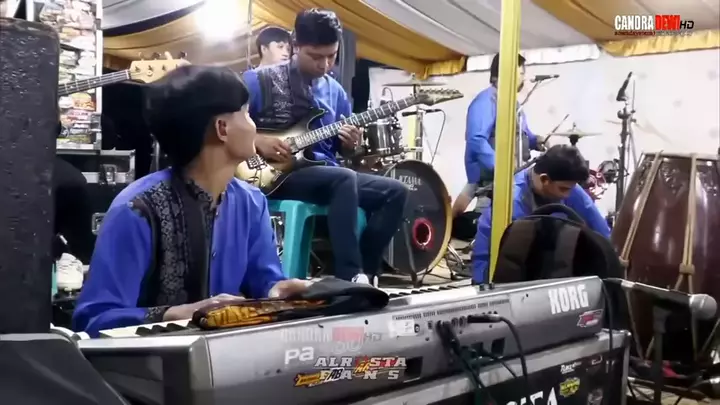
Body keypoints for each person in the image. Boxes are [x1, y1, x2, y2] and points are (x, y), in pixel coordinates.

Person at [73, 66, 309, 336]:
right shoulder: (137, 209)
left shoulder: (252, 203)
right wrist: (176, 314)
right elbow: (94, 319)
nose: (253, 125)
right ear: (222, 128)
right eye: (246, 113)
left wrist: (277, 289)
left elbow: (263, 280)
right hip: (151, 361)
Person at [242, 9, 408, 286]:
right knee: (343, 178)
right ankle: (348, 275)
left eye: (332, 56)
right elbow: (226, 124)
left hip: (326, 173)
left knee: (395, 192)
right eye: (316, 56)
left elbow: (344, 153)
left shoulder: (336, 92)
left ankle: (367, 274)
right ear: (295, 46)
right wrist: (258, 141)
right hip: (275, 174)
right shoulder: (258, 81)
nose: (325, 64)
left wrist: (350, 144)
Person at [472, 145, 611, 283]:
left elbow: (594, 219)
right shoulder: (514, 201)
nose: (568, 195)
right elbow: (507, 258)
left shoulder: (563, 183)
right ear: (544, 179)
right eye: (564, 189)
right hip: (502, 268)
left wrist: (611, 256)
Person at [453, 53, 546, 217]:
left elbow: (521, 133)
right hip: (491, 177)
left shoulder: (513, 103)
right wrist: (499, 165)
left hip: (511, 175)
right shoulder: (486, 100)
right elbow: (476, 139)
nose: (523, 78)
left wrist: (535, 141)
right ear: (507, 73)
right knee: (485, 217)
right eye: (521, 73)